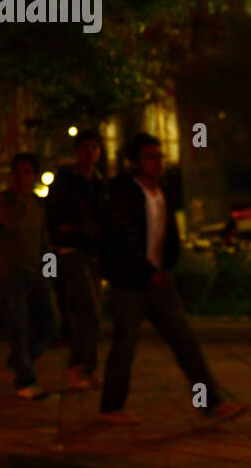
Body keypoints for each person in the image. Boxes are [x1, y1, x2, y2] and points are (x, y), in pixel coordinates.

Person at [98, 133, 246, 425]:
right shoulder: (124, 195)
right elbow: (124, 240)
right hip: (130, 284)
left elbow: (169, 237)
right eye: (150, 157)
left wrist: (166, 268)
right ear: (135, 163)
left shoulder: (162, 191)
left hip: (159, 281)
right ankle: (111, 407)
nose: (158, 162)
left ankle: (211, 403)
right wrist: (148, 273)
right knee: (125, 346)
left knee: (186, 343)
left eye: (159, 155)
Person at [0, 153, 57, 400]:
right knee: (18, 325)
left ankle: (20, 359)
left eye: (27, 172)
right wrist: (22, 200)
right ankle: (25, 378)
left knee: (50, 323)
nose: (21, 177)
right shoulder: (2, 200)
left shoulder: (37, 203)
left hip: (35, 270)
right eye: (17, 171)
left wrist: (49, 271)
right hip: (10, 270)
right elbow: (14, 223)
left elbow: (43, 240)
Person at [45, 130, 106, 390]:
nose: (89, 153)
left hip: (94, 250)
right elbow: (53, 212)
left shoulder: (99, 182)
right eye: (84, 147)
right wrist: (63, 231)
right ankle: (76, 365)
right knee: (89, 308)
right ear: (77, 151)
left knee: (91, 312)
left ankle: (83, 366)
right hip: (71, 250)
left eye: (94, 147)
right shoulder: (66, 180)